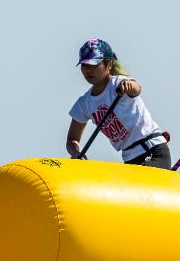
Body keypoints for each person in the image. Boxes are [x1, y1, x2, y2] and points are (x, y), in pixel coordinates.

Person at [66, 39, 171, 169]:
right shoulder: (84, 104)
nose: (88, 70)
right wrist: (77, 153)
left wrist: (129, 86)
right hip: (130, 159)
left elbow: (136, 88)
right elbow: (72, 140)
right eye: (85, 65)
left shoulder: (118, 83)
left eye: (94, 65)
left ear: (109, 64)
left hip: (153, 150)